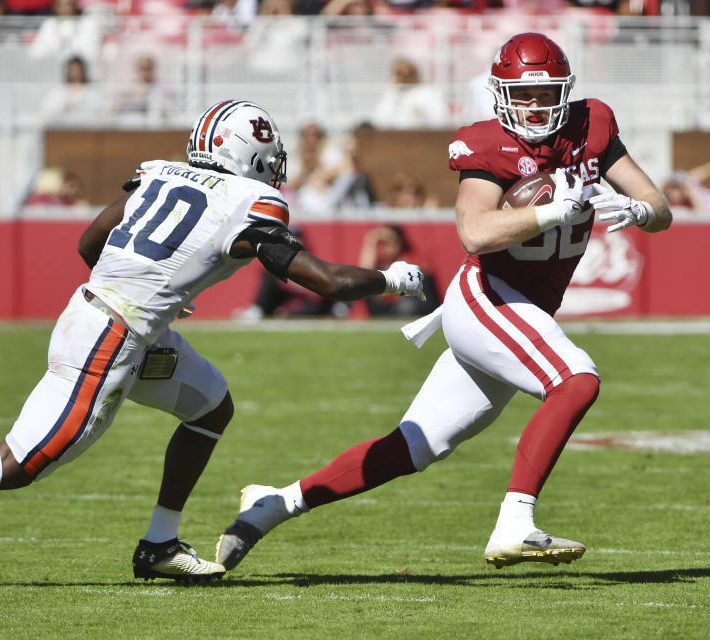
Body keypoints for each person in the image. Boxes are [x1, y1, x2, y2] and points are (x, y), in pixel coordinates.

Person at [0, 99, 425, 583]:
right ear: (246, 157)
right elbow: (327, 283)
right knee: (21, 462)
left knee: (210, 406)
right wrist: (392, 278)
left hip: (116, 321)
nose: (273, 170)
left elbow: (92, 240)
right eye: (267, 158)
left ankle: (160, 544)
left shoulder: (159, 174)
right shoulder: (247, 203)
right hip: (111, 337)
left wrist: (143, 289)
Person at [214, 32, 672, 572]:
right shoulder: (487, 145)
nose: (533, 106)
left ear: (564, 91)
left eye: (545, 93)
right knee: (576, 379)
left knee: (411, 447)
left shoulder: (591, 124)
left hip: (521, 311)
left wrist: (642, 212)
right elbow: (474, 233)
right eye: (521, 95)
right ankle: (515, 522)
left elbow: (657, 203)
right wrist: (552, 213)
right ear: (501, 95)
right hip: (488, 298)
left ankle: (273, 504)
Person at [358, 225, 440, 317]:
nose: (386, 247)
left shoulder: (412, 258)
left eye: (389, 242)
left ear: (400, 242)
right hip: (390, 307)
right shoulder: (383, 263)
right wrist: (371, 239)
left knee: (406, 305)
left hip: (416, 305)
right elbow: (364, 273)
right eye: (383, 243)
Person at [371, 58, 448, 130]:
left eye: (409, 74)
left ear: (416, 74)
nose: (405, 78)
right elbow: (380, 120)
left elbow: (439, 120)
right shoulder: (389, 95)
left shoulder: (429, 93)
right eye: (400, 74)